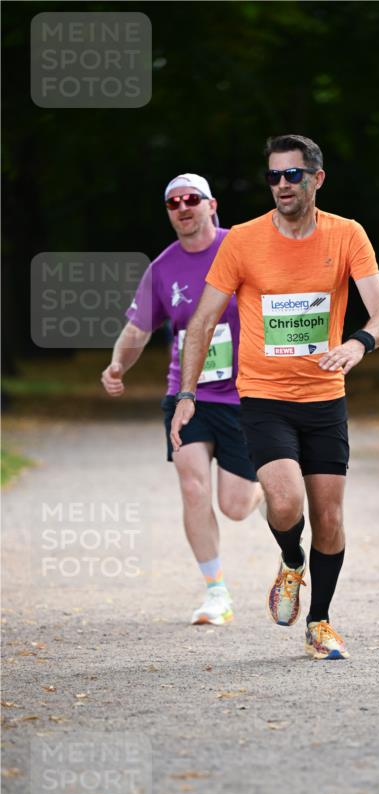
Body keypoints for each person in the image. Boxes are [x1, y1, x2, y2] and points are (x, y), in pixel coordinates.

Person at [170, 135, 379, 660]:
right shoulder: (244, 241)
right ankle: (291, 560)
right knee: (285, 498)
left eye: (291, 175)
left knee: (332, 518)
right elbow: (203, 321)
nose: (280, 185)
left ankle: (319, 623)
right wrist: (187, 393)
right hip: (265, 396)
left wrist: (358, 344)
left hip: (324, 398)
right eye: (272, 176)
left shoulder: (347, 236)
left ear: (317, 179)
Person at [101, 173, 262, 623]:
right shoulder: (163, 267)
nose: (183, 207)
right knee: (193, 487)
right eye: (174, 202)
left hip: (242, 395)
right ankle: (216, 593)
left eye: (192, 199)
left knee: (233, 506)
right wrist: (117, 366)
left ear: (212, 205)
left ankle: (262, 491)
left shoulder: (242, 249)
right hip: (186, 395)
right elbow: (137, 329)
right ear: (169, 213)